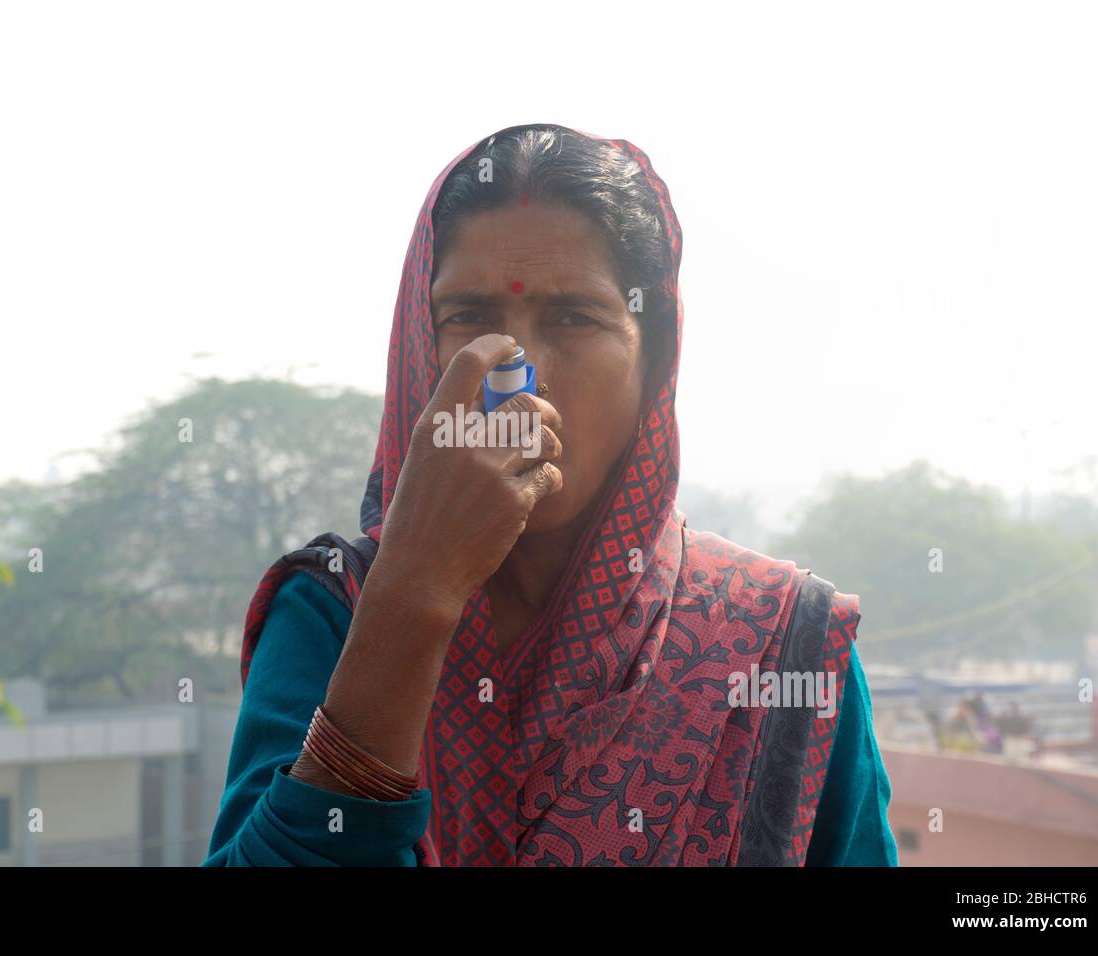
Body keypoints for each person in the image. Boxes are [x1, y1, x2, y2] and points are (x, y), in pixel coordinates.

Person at [203, 124, 898, 867]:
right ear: (418, 348)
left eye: (574, 318)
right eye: (467, 318)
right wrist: (413, 593)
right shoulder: (329, 616)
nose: (518, 379)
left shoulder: (777, 638)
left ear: (653, 359)